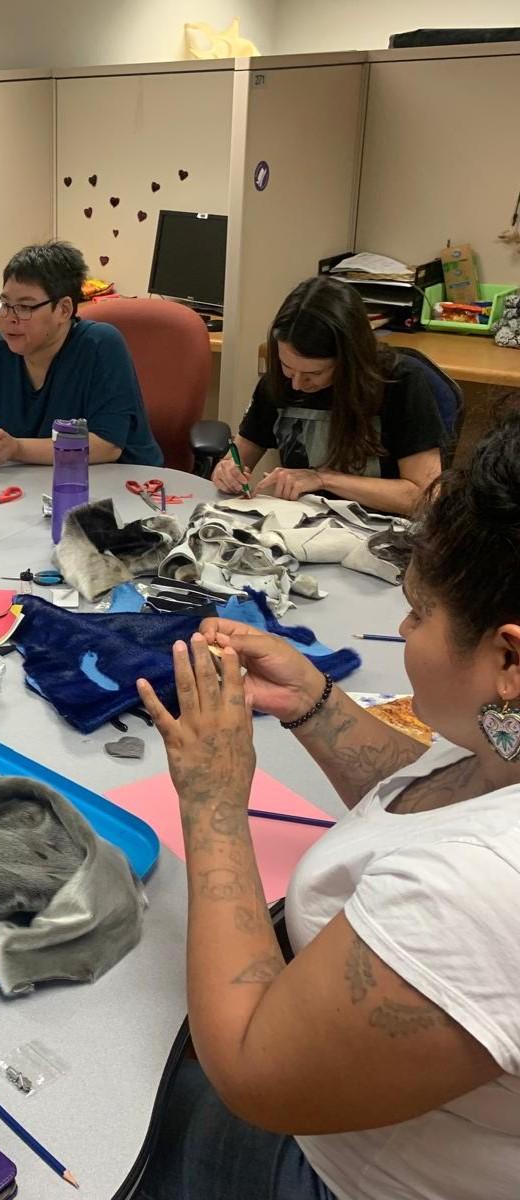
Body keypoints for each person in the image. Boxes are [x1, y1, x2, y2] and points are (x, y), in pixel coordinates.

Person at [135, 412, 520, 1199]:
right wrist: (314, 703)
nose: (403, 628)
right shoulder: (505, 750)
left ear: (509, 659)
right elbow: (445, 799)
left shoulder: (482, 894)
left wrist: (212, 799)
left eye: (419, 612)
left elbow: (250, 1069)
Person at [212, 276, 444, 516]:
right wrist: (227, 470)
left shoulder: (401, 382)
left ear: (349, 361)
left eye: (314, 373)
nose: (297, 383)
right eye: (287, 366)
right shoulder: (278, 383)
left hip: (379, 532)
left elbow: (425, 497)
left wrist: (323, 479)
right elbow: (239, 457)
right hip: (298, 526)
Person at [0, 241, 163, 469]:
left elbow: (106, 445)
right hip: (34, 487)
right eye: (5, 304)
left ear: (63, 310)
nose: (9, 317)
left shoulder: (100, 346)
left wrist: (17, 449)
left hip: (121, 486)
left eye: (25, 307)